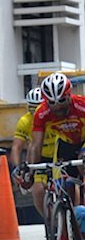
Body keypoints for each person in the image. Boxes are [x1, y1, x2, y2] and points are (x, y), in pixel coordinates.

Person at [22, 72, 85, 223]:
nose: (57, 107)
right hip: (66, 144)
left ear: (69, 95)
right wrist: (31, 170)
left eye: (62, 101)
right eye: (52, 103)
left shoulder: (81, 105)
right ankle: (67, 223)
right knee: (66, 182)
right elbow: (36, 144)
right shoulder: (42, 113)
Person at [9, 86, 44, 173]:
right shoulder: (25, 121)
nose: (35, 113)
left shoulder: (53, 117)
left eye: (38, 108)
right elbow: (16, 147)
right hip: (36, 153)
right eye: (32, 109)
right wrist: (17, 169)